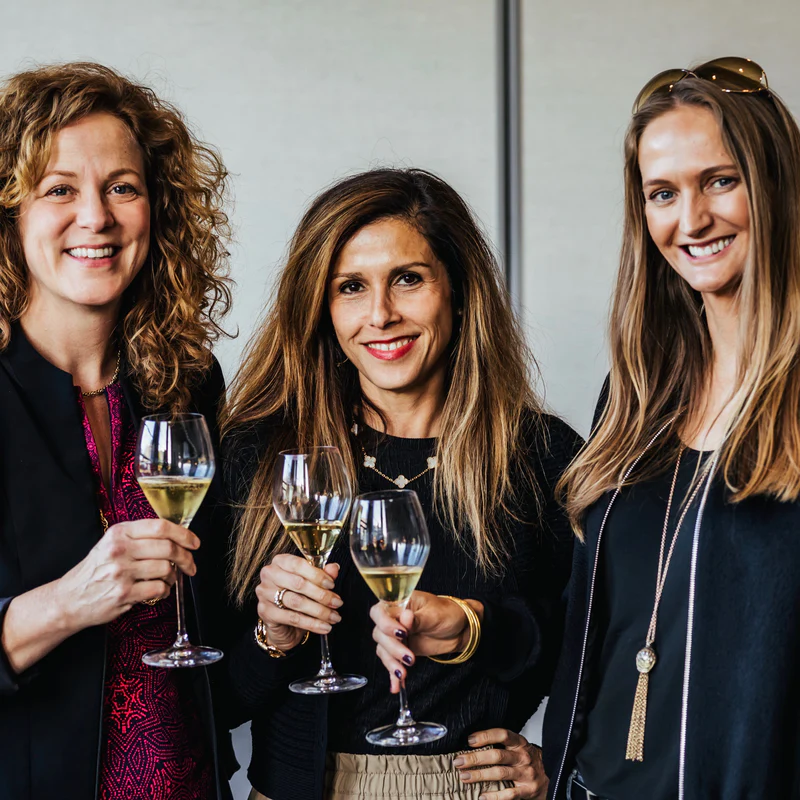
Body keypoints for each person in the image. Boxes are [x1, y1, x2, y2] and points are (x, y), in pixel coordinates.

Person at [221, 167, 582, 800]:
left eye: (408, 280)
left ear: (459, 290)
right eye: (351, 287)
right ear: (323, 309)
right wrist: (270, 636)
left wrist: (561, 764)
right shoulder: (262, 454)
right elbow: (208, 702)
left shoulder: (540, 455)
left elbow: (599, 651)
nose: (381, 315)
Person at [543, 58, 800, 799]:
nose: (691, 221)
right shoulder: (633, 398)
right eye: (663, 193)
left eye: (720, 180)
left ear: (775, 183)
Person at [0, 62, 236, 799]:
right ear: (11, 212)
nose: (96, 217)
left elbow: (219, 609)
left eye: (122, 187)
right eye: (59, 189)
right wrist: (71, 600)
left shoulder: (191, 382)